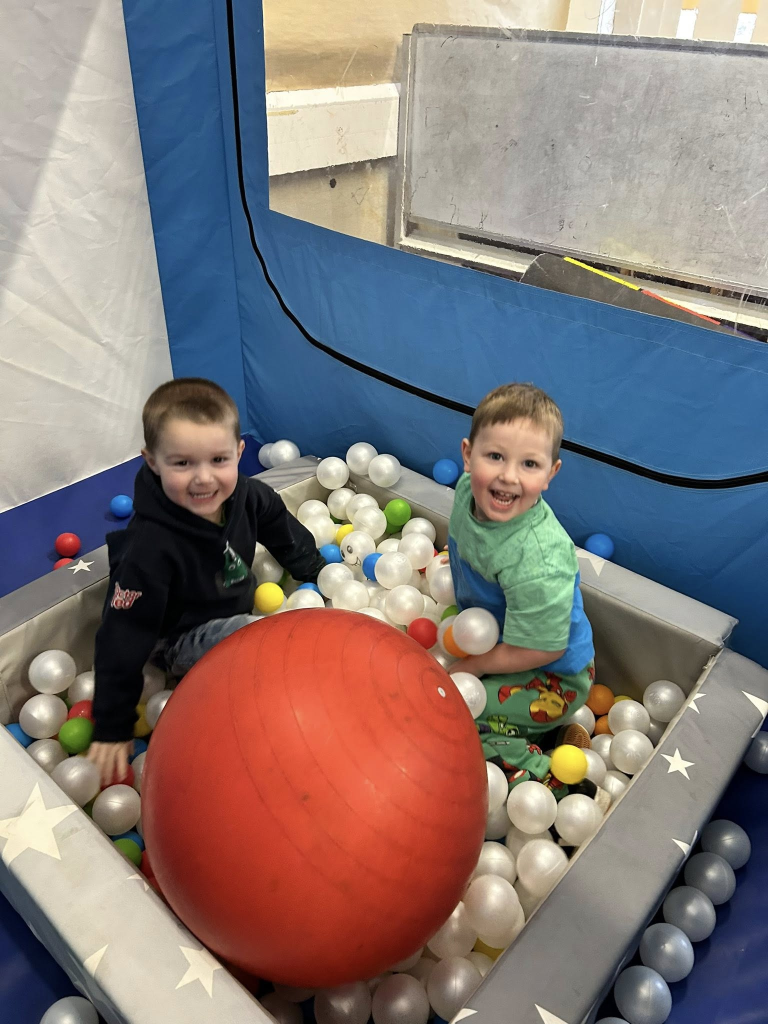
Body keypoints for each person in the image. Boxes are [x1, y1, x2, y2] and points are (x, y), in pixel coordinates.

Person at [88, 377, 324, 785]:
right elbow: (123, 634)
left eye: (218, 460)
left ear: (239, 453)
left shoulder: (247, 496)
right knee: (262, 640)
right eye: (182, 464)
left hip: (230, 601)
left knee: (270, 632)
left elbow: (278, 525)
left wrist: (317, 572)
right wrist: (112, 724)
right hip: (177, 638)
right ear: (152, 462)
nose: (203, 478)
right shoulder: (149, 548)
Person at [447, 383, 594, 792]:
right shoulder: (466, 492)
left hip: (553, 673)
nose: (508, 477)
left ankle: (557, 782)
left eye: (529, 464)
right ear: (467, 455)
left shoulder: (538, 559)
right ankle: (546, 733)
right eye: (495, 456)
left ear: (550, 474)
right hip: (500, 642)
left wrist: (475, 665)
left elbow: (546, 649)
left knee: (461, 714)